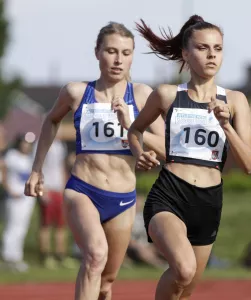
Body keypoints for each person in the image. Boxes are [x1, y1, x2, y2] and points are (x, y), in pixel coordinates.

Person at [24, 22, 165, 299]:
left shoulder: (142, 95)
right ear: (97, 52)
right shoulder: (76, 92)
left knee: (107, 281)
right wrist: (37, 169)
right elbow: (51, 120)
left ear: (132, 56)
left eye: (125, 52)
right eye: (111, 51)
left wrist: (132, 125)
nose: (118, 59)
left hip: (123, 198)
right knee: (95, 256)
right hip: (83, 190)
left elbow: (166, 145)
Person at [128, 15, 251, 300]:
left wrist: (226, 126)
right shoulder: (167, 95)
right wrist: (140, 155)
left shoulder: (235, 101)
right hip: (170, 194)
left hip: (209, 201)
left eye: (218, 48)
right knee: (183, 269)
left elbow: (249, 165)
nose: (212, 54)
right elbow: (134, 131)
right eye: (203, 48)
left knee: (184, 290)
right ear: (185, 53)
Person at [36, 137, 77, 269]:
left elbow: (62, 167)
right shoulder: (41, 143)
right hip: (47, 187)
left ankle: (61, 255)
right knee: (46, 224)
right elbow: (37, 166)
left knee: (61, 225)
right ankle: (46, 255)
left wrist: (65, 186)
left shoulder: (61, 145)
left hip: (59, 189)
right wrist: (42, 188)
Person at [1, 133, 35, 272]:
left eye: (29, 143)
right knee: (12, 227)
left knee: (22, 228)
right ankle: (7, 256)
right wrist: (10, 190)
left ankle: (16, 257)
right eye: (24, 142)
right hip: (14, 198)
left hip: (26, 199)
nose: (26, 145)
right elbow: (3, 174)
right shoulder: (11, 156)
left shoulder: (30, 158)